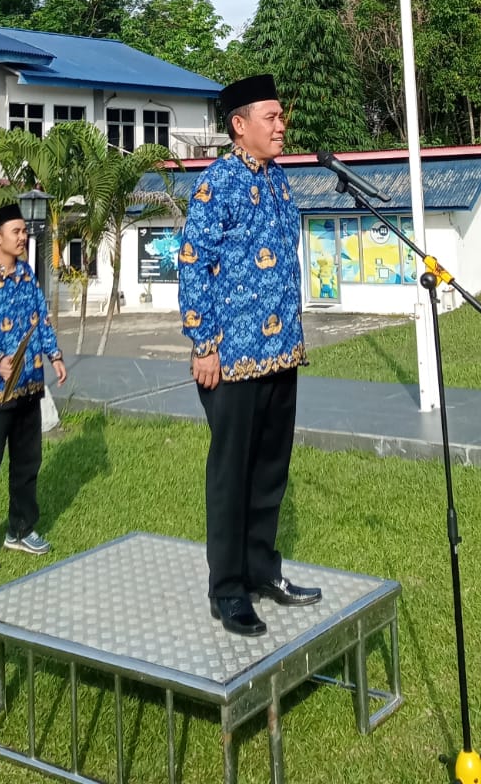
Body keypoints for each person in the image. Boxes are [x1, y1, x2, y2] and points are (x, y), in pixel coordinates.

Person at [178, 73, 322, 635]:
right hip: (231, 359)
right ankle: (228, 589)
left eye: (282, 117)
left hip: (281, 353)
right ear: (240, 126)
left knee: (269, 471)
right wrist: (205, 345)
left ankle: (263, 571)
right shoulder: (217, 185)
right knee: (231, 475)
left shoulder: (281, 182)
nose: (282, 125)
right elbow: (192, 264)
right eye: (272, 117)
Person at [0, 202, 68, 572]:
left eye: (24, 231)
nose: (23, 237)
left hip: (28, 385)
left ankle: (21, 530)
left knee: (28, 463)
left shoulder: (27, 276)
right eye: (16, 232)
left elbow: (40, 319)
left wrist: (54, 355)